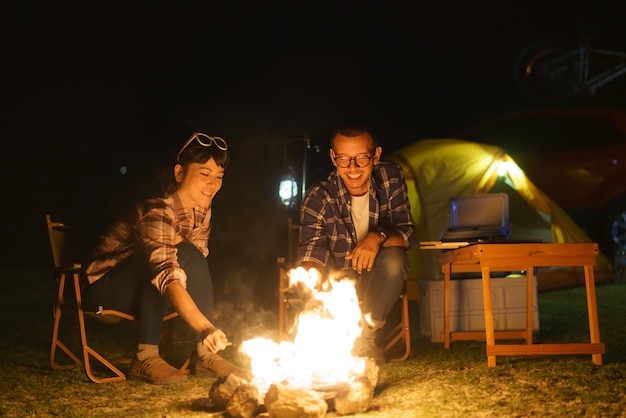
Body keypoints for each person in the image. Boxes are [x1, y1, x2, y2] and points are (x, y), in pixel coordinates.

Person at [82, 132, 250, 385]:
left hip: (149, 283)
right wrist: (205, 327)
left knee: (189, 255)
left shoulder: (202, 208)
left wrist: (208, 329)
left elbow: (195, 265)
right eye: (204, 174)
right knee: (174, 257)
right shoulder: (157, 207)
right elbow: (167, 272)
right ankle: (145, 356)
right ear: (179, 173)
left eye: (219, 177)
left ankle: (205, 356)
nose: (213, 184)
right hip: (103, 288)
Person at [296, 126, 416, 363]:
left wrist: (376, 237)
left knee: (395, 260)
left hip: (377, 276)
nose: (352, 168)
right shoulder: (318, 197)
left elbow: (408, 234)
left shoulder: (390, 177)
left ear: (376, 155)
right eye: (343, 158)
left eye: (361, 158)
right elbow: (312, 254)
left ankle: (364, 338)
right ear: (333, 157)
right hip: (338, 282)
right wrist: (312, 293)